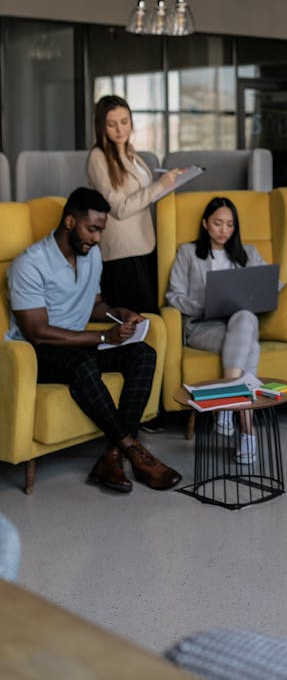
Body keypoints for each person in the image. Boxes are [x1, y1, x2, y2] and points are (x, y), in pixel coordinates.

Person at [7, 187, 181, 494]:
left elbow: (95, 304)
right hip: (37, 353)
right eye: (93, 229)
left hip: (78, 344)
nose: (98, 238)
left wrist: (120, 313)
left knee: (143, 354)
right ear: (70, 222)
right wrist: (103, 336)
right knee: (84, 362)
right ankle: (134, 450)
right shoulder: (29, 264)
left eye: (101, 230)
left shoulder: (91, 255)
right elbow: (37, 331)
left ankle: (111, 457)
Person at [166, 197, 267, 467]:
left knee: (245, 317)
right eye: (218, 223)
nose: (224, 230)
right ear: (205, 224)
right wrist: (204, 304)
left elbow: (271, 283)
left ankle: (230, 407)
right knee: (249, 344)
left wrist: (260, 293)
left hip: (238, 325)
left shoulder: (248, 253)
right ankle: (246, 432)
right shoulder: (187, 253)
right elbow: (173, 295)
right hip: (202, 326)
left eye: (230, 225)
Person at [87, 95, 182, 314]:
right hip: (122, 251)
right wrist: (159, 186)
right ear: (101, 126)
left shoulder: (131, 154)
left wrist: (169, 182)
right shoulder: (98, 158)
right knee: (136, 320)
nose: (120, 130)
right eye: (112, 124)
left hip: (144, 243)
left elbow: (143, 195)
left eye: (125, 122)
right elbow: (118, 208)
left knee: (149, 316)